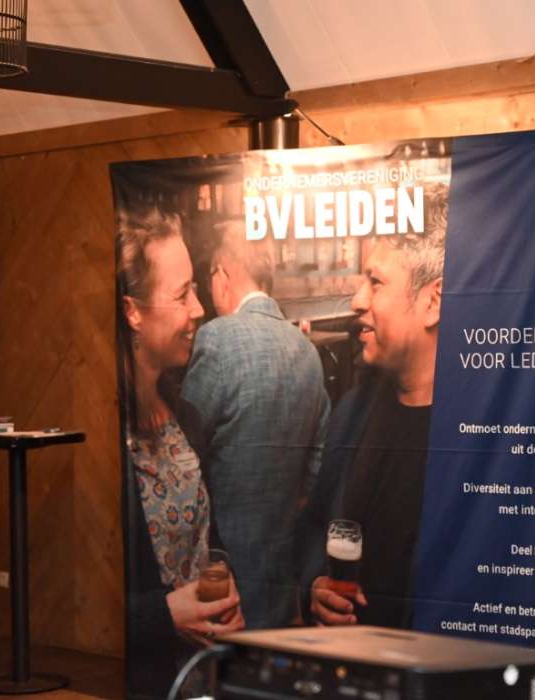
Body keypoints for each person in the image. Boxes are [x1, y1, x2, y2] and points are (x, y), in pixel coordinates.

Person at [178, 220, 330, 629]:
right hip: (283, 576)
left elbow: (183, 456)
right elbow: (317, 468)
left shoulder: (216, 338)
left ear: (222, 275)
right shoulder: (308, 352)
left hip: (220, 578)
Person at [117, 208, 244, 698]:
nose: (198, 309)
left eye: (195, 289)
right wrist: (165, 615)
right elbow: (63, 600)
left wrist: (225, 588)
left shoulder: (183, 414)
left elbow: (204, 536)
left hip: (199, 679)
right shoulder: (100, 442)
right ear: (132, 311)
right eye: (182, 294)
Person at [308, 187, 448, 629]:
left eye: (376, 282)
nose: (357, 300)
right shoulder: (352, 414)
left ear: (432, 302)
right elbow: (316, 531)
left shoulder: (480, 432)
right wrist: (315, 586)